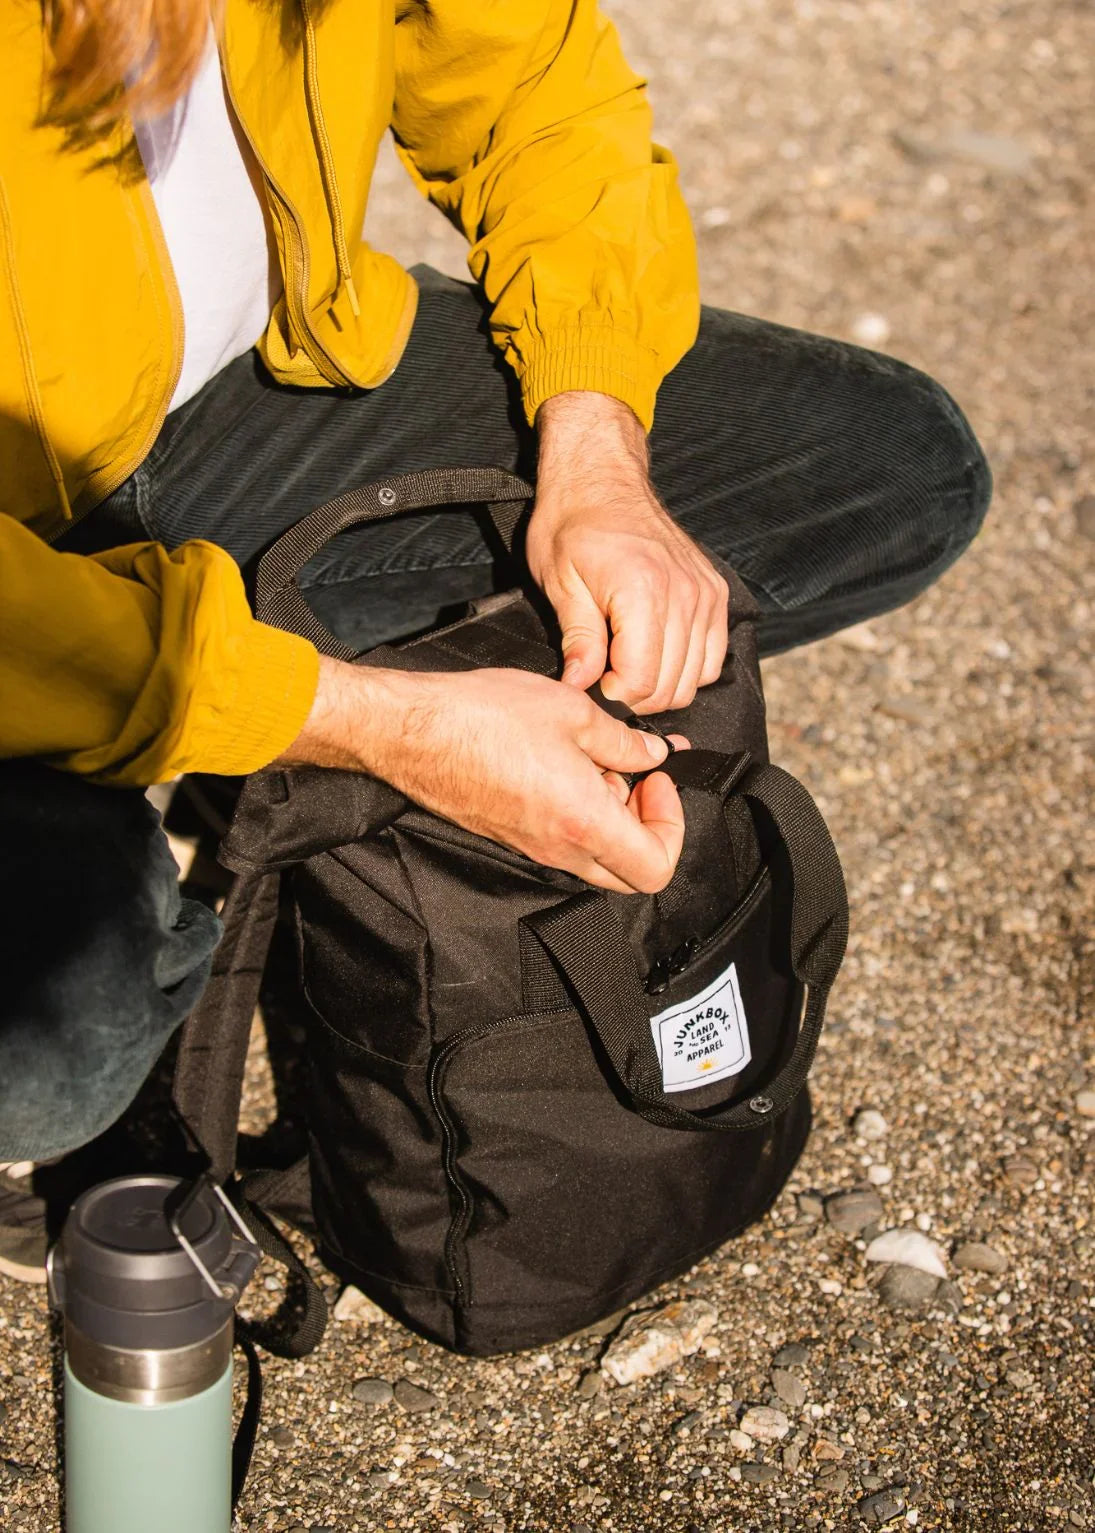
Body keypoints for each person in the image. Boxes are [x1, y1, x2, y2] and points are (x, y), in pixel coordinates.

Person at [0, 0, 991, 1282]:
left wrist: (597, 445)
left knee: (889, 472)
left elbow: (535, 89)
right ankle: (204, 784)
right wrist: (380, 725)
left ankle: (264, 763)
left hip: (233, 409)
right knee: (49, 1051)